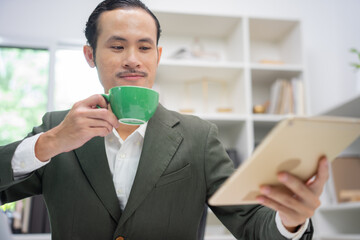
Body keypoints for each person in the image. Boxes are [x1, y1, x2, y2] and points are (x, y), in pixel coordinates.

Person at [0, 0, 329, 239]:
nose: (132, 60)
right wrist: (51, 142)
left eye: (144, 47)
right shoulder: (56, 128)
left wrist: (290, 222)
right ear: (90, 55)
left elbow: (250, 224)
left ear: (157, 56)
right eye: (117, 46)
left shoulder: (199, 137)